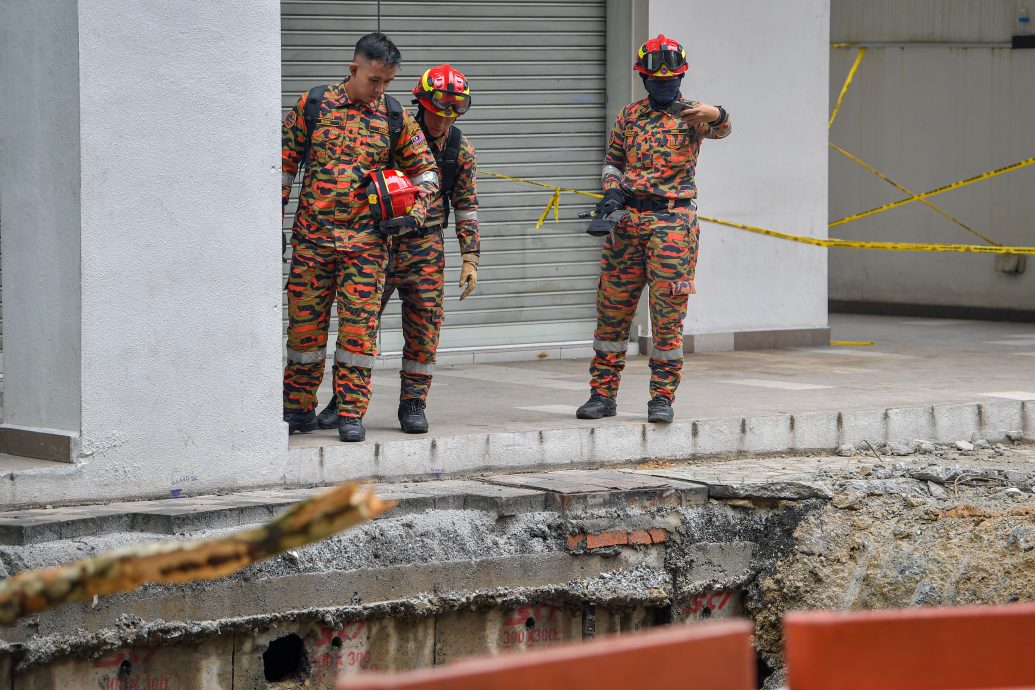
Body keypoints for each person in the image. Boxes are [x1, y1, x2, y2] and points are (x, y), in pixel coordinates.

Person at [281, 32, 439, 442]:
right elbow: (279, 172)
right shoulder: (312, 106)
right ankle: (297, 410)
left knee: (358, 333)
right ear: (353, 69)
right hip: (312, 244)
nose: (380, 89)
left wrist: (415, 213)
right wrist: (268, 228)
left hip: (366, 248)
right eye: (374, 80)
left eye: (388, 82)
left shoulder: (393, 115)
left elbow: (426, 170)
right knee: (304, 333)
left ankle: (351, 413)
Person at [575, 34, 732, 424]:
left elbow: (724, 128)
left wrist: (716, 112)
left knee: (667, 315)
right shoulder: (630, 116)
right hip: (626, 222)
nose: (665, 87)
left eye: (671, 81)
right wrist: (611, 194)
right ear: (645, 80)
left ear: (680, 78)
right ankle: (602, 395)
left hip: (673, 225)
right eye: (657, 82)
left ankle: (662, 398)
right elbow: (613, 161)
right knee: (612, 312)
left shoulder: (693, 114)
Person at [316, 63, 480, 434]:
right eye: (436, 112)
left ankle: (413, 403)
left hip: (425, 249)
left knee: (424, 328)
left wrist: (470, 257)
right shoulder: (393, 133)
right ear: (421, 105)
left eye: (451, 114)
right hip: (378, 243)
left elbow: (467, 208)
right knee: (359, 326)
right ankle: (343, 401)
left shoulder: (460, 150)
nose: (442, 121)